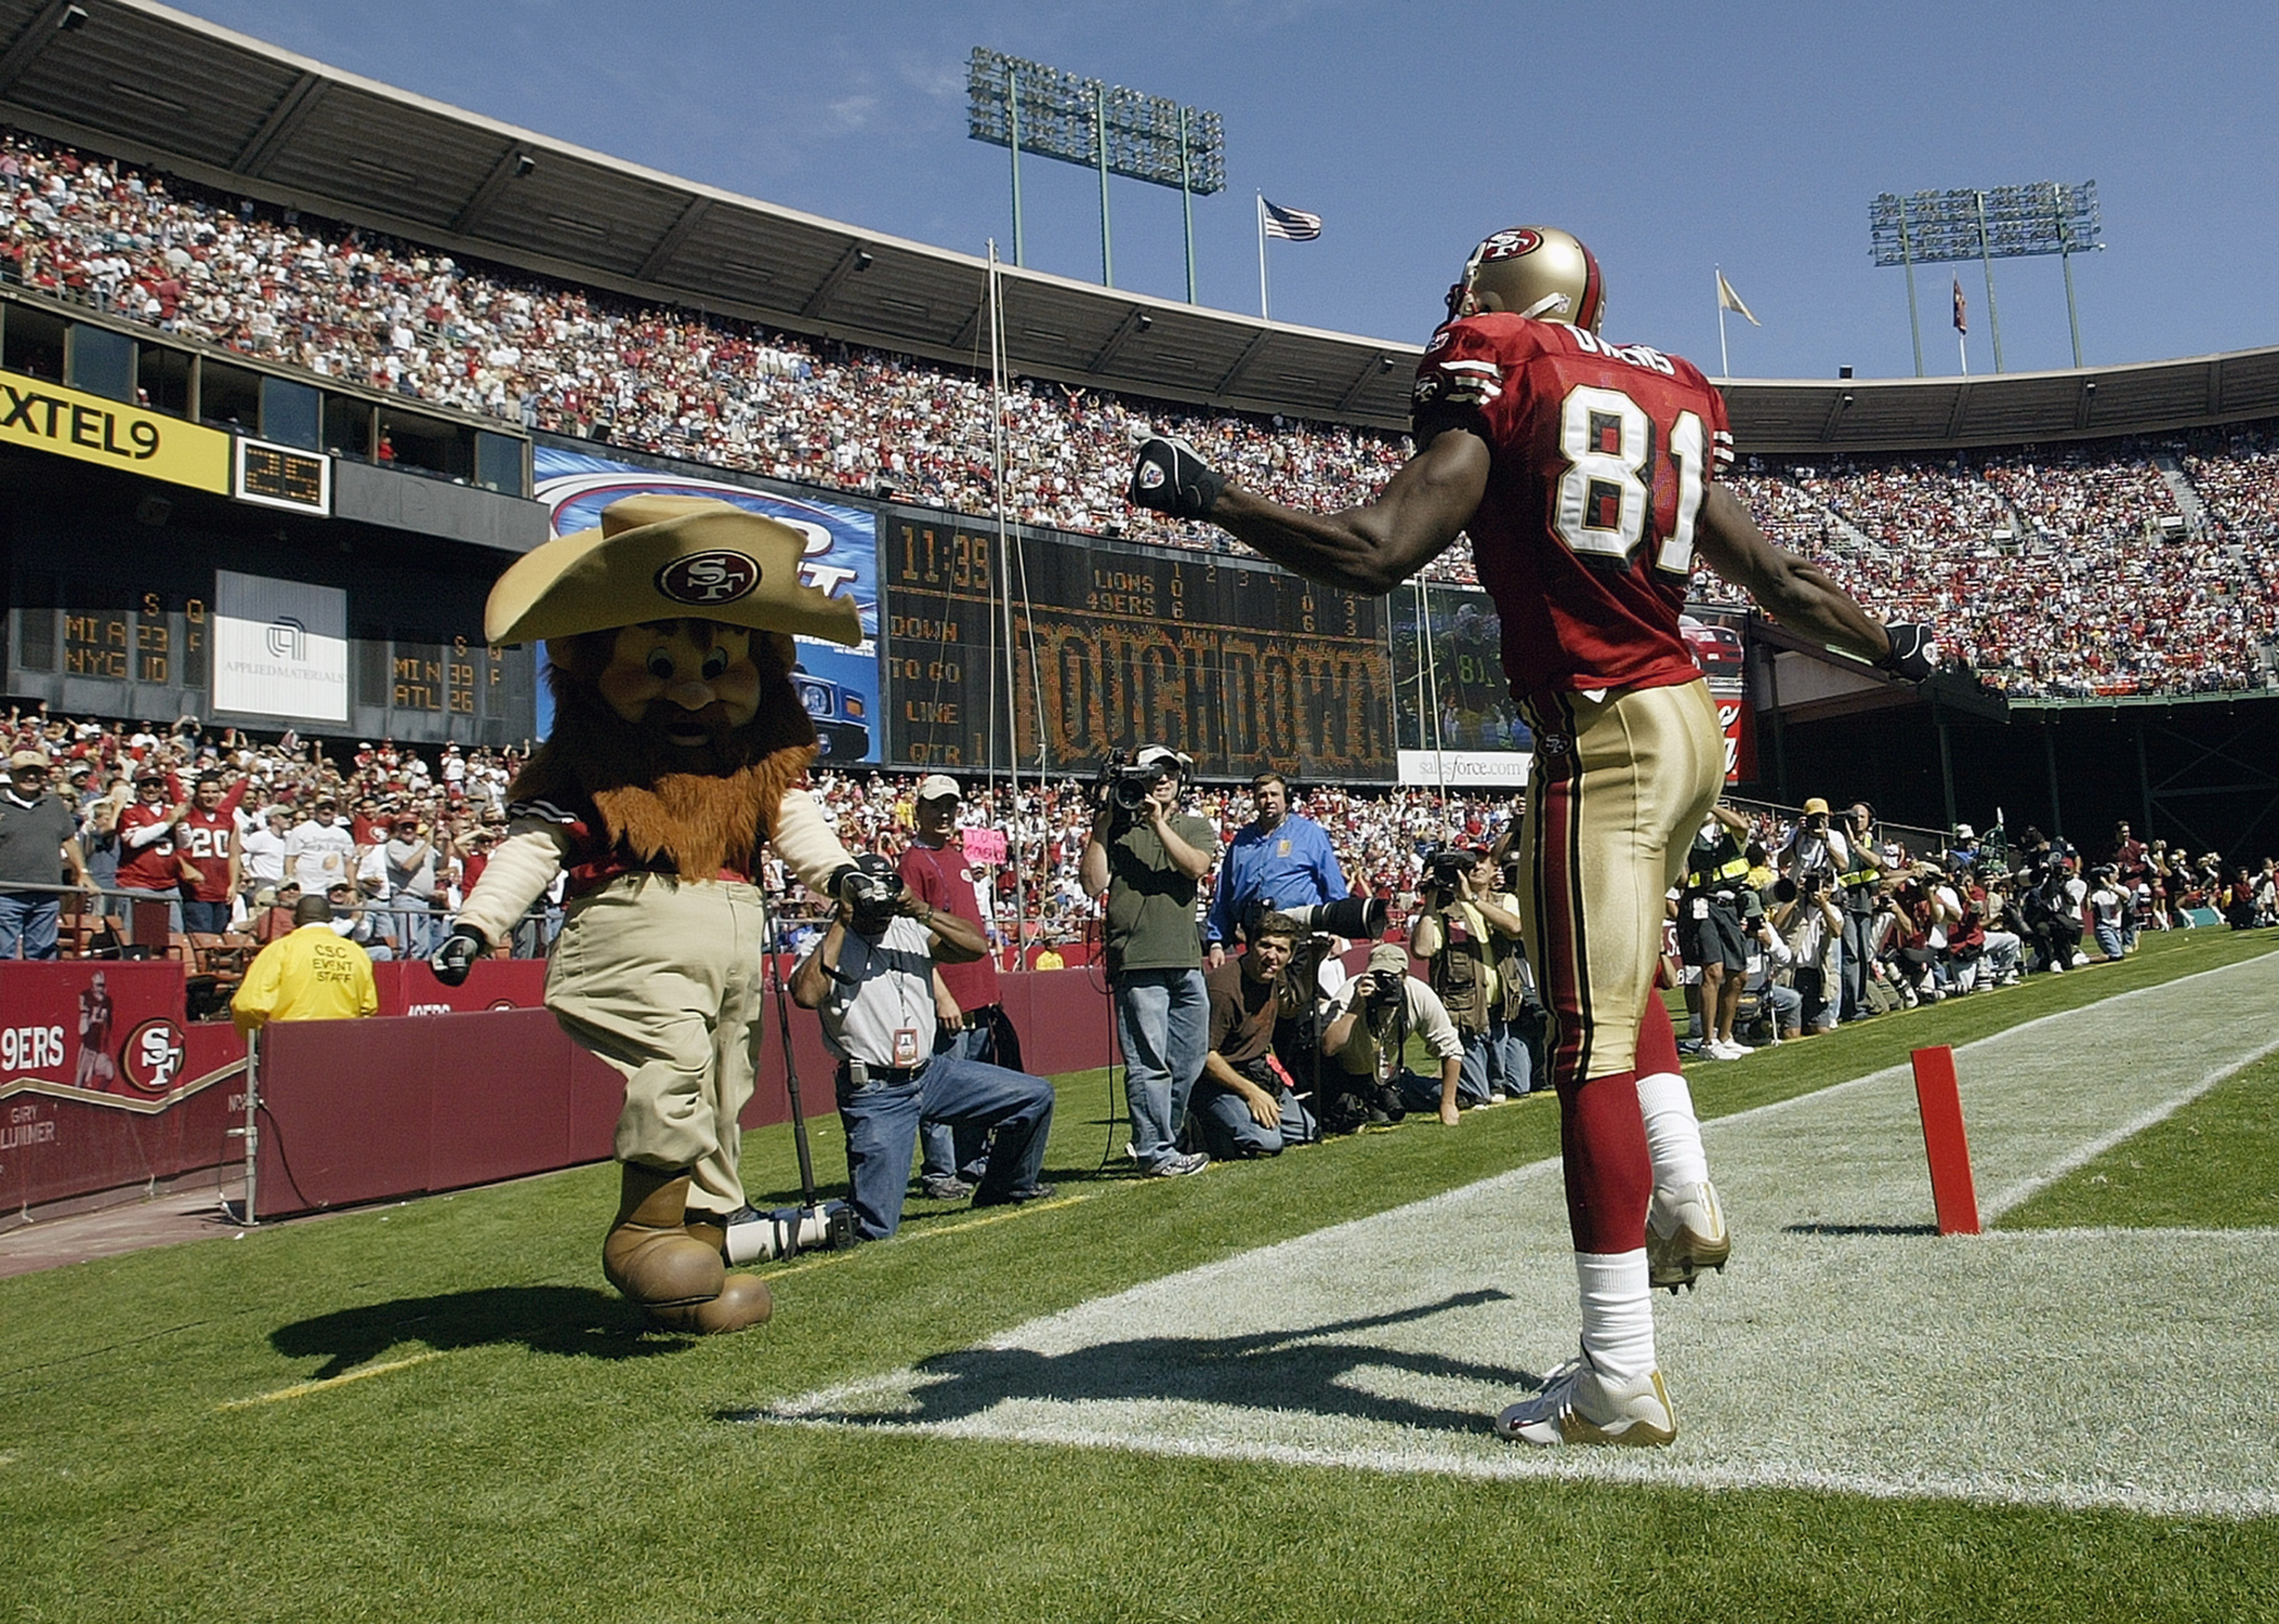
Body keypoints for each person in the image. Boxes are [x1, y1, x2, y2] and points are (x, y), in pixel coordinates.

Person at [1128, 223, 1929, 1447]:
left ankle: (1616, 1371)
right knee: (1616, 986)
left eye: (1473, 289)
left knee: (1587, 1042)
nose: (1456, 303)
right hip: (1684, 724)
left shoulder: (1504, 370)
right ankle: (1682, 1191)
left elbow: (1376, 548)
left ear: (1507, 300)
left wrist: (1212, 493)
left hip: (1596, 729)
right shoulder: (1659, 389)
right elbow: (1779, 581)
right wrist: (1897, 647)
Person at [790, 855, 1056, 1241]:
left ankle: (1006, 1186)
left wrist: (920, 908)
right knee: (875, 1225)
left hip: (931, 1074)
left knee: (1034, 1096)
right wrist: (844, 918)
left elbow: (975, 947)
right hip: (876, 1091)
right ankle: (786, 1226)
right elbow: (805, 995)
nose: (879, 907)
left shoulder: (909, 929)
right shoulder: (827, 944)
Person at [1079, 745, 1215, 1178]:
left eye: (1170, 773)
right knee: (1148, 1061)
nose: (1163, 779)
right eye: (1153, 772)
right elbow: (1091, 884)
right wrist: (1102, 825)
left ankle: (1160, 1139)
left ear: (1180, 781)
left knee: (1190, 1058)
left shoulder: (1194, 826)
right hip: (1137, 959)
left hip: (1185, 957)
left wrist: (1158, 823)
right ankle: (1156, 1150)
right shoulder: (1117, 829)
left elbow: (1195, 867)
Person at [899, 773, 1017, 1199]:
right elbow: (910, 936)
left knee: (975, 1086)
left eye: (951, 806)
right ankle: (939, 1171)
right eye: (936, 806)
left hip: (978, 991)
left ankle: (968, 1162)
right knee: (944, 1085)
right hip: (948, 995)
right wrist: (941, 995)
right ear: (919, 810)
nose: (945, 814)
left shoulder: (956, 857)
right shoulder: (914, 862)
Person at [1190, 910, 1317, 1159]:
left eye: (1281, 950)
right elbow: (1204, 1056)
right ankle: (1196, 1126)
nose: (1272, 956)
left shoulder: (1274, 978)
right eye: (1265, 946)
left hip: (1255, 1071)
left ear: (1290, 957)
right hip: (1211, 1081)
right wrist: (1252, 1093)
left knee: (1306, 1131)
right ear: (1251, 945)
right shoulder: (1224, 990)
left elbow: (1291, 1010)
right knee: (1268, 1142)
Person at [1409, 847, 1525, 1107]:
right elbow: (1422, 950)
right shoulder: (1445, 910)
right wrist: (1431, 899)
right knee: (1476, 1096)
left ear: (1494, 868)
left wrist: (1472, 899)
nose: (1476, 867)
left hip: (1501, 1011)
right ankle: (1404, 1083)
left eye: (1482, 861)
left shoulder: (1503, 900)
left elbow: (1516, 928)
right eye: (1469, 864)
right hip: (1465, 1012)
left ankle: (1479, 1081)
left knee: (1520, 1087)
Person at [1203, 772, 1355, 966]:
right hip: (1258, 936)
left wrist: (1338, 930)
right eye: (1263, 796)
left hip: (1301, 936)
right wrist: (1217, 942)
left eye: (1274, 794)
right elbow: (1224, 893)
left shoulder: (1309, 834)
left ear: (1286, 798)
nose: (1269, 800)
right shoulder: (1242, 841)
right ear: (1256, 802)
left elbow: (1333, 884)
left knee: (1302, 995)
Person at [1317, 941, 1467, 1127]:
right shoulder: (1352, 991)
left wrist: (1448, 1104)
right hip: (1346, 1074)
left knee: (1457, 1096)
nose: (1384, 984)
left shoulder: (1418, 993)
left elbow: (1452, 1048)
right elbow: (1329, 1047)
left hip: (1386, 1075)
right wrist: (1357, 1007)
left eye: (1391, 977)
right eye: (1378, 976)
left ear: (1404, 975)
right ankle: (1362, 1104)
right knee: (1348, 1120)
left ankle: (1389, 1093)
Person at [231, 894, 379, 1035]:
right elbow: (369, 1006)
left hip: (290, 1040)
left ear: (294, 918)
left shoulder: (280, 949)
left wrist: (259, 1037)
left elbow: (248, 1005)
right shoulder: (356, 952)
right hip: (345, 1040)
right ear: (330, 918)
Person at [1676, 804, 1754, 1059]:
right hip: (1702, 905)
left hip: (1729, 907)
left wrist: (1710, 804)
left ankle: (1725, 1036)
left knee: (1739, 975)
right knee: (1713, 971)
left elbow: (1743, 826)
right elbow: (1682, 881)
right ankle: (1708, 1043)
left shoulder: (1729, 831)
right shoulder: (1687, 836)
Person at [0, 750, 95, 959]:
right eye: (25, 772)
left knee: (42, 956)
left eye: (36, 772)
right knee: (3, 956)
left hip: (47, 893)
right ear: (12, 774)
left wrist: (83, 872)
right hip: (6, 893)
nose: (31, 777)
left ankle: (36, 993)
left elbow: (69, 839)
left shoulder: (53, 804)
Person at [177, 772, 246, 934]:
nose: (210, 796)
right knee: (202, 936)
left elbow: (234, 855)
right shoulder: (189, 817)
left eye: (214, 792)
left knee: (219, 935)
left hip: (222, 890)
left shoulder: (228, 820)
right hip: (197, 891)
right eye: (205, 792)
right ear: (198, 794)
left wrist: (233, 885)